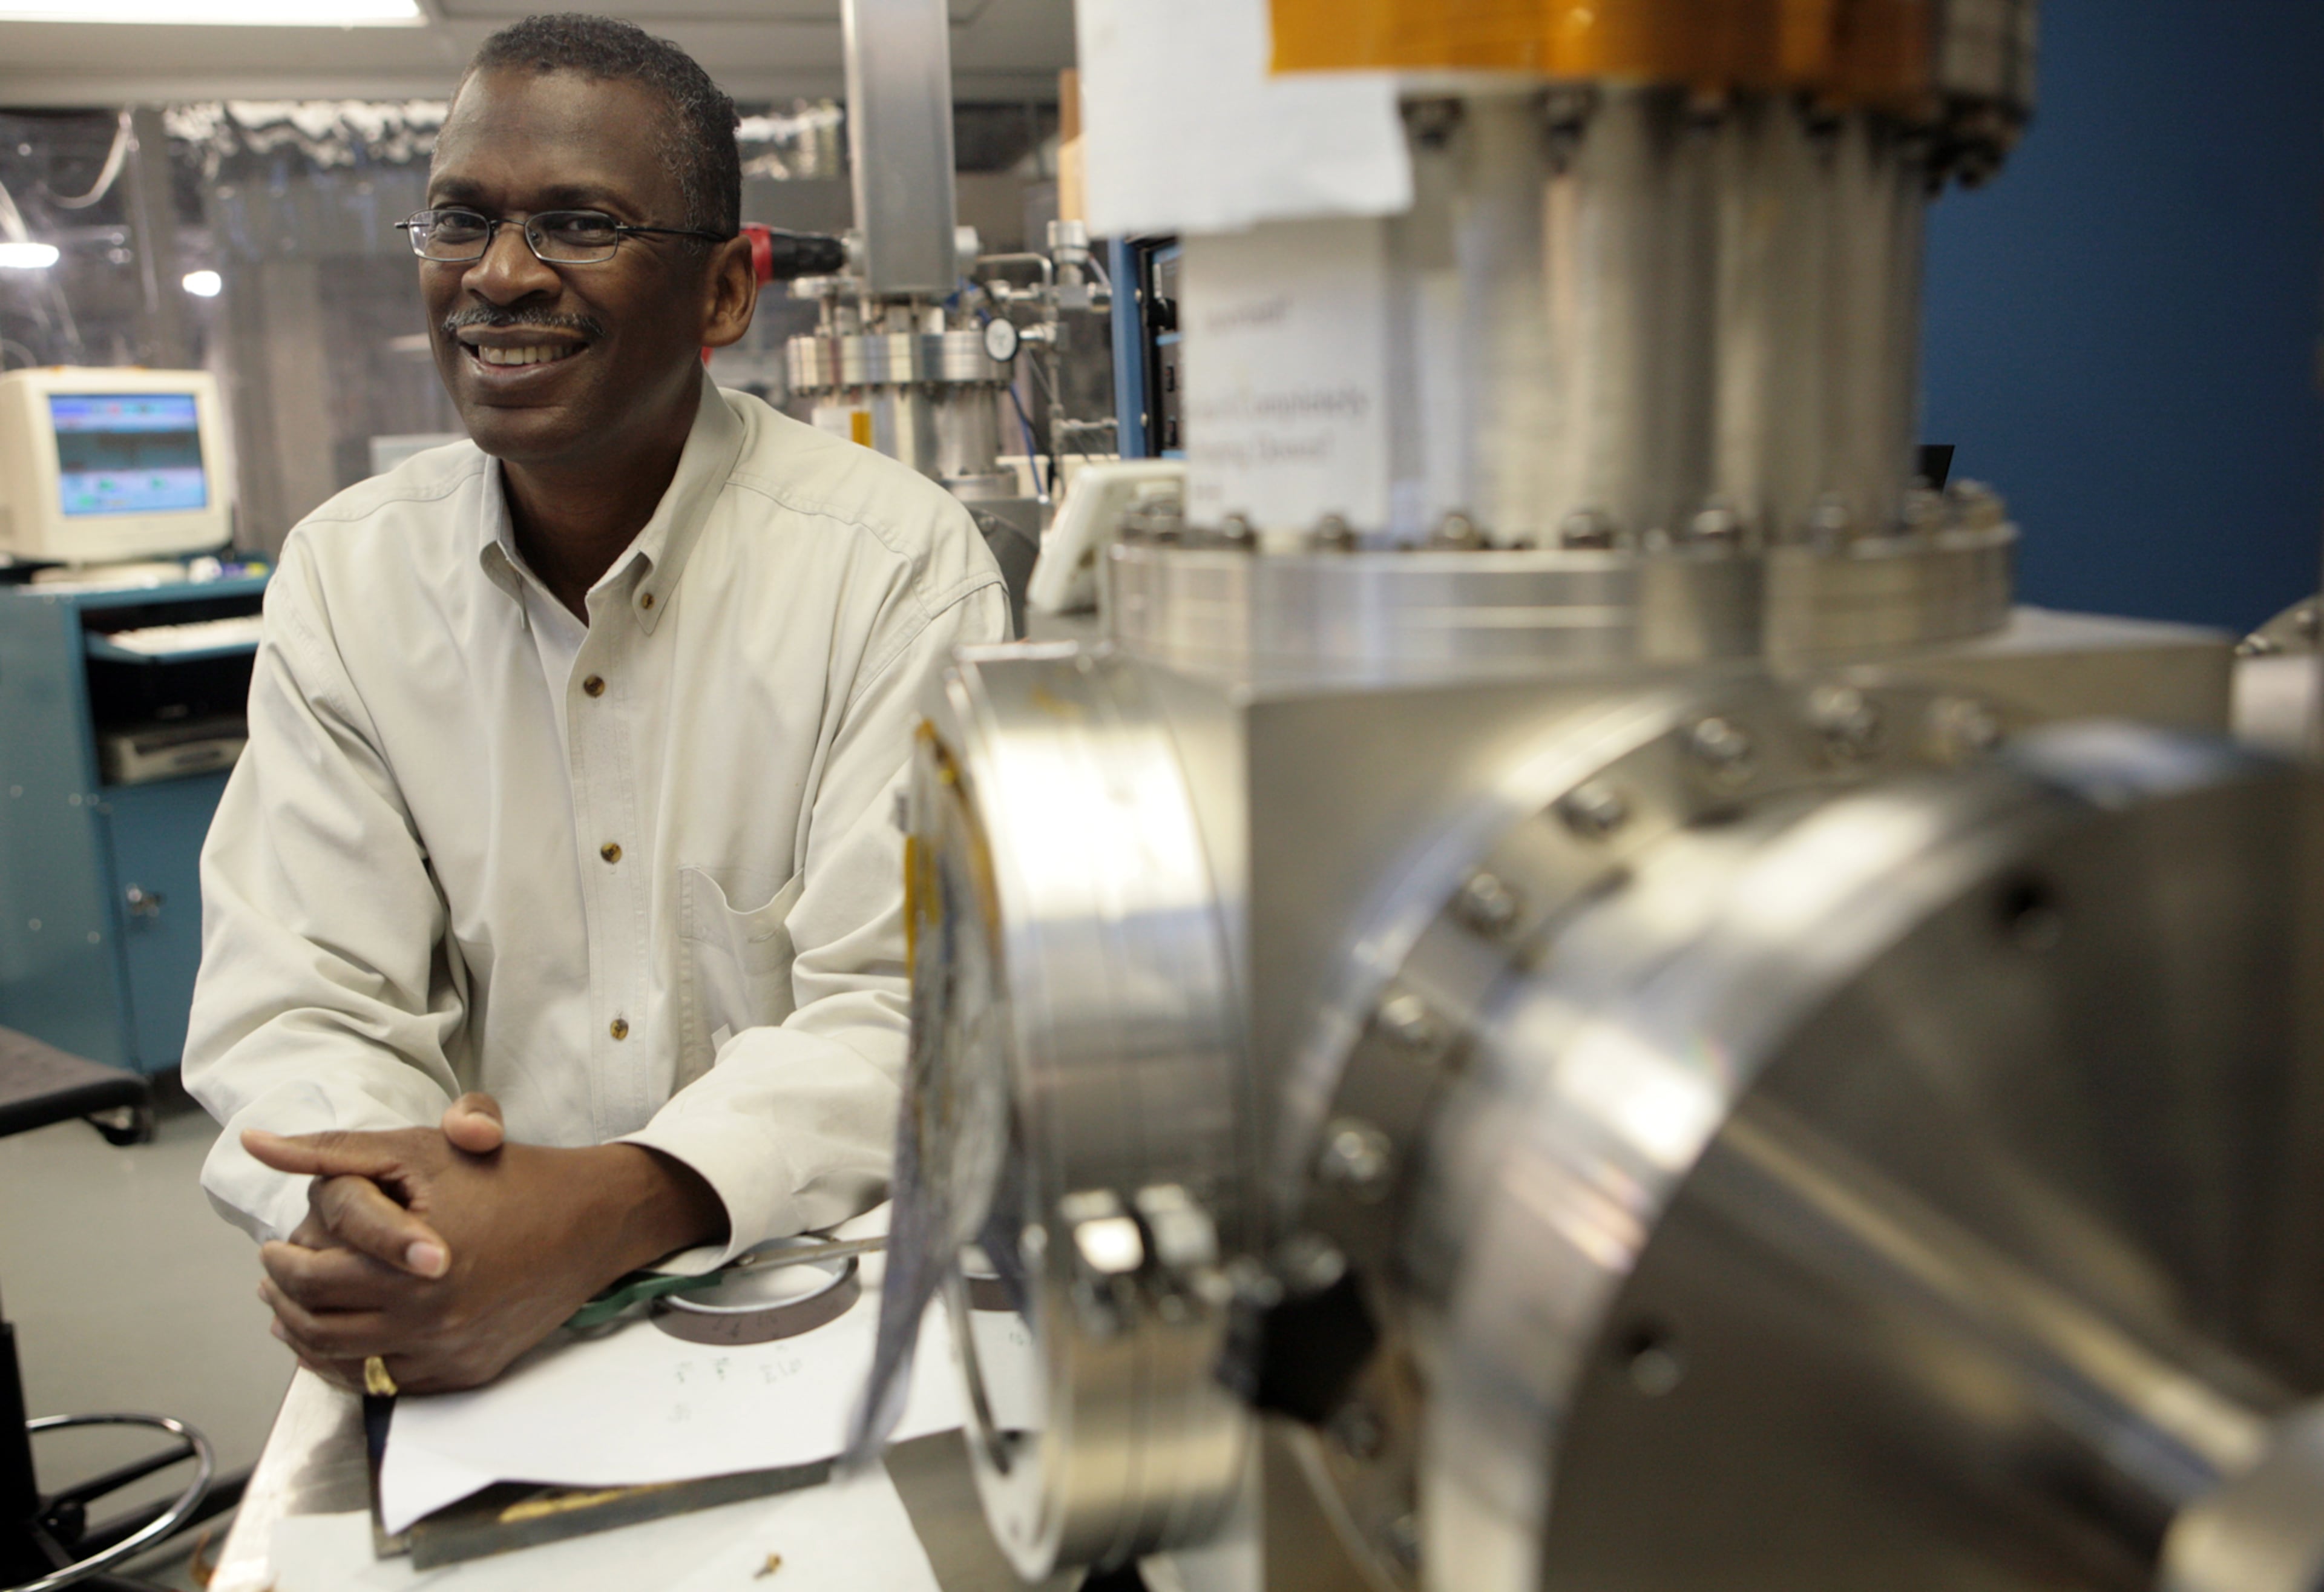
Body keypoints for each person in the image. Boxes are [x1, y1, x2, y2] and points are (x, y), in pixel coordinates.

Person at [182, 13, 1006, 1396]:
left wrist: (607, 1208)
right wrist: (374, 1216)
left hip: (819, 1303)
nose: (500, 276)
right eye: (460, 220)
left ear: (727, 293)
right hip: (475, 1321)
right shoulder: (347, 579)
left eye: (577, 222)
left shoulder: (894, 567)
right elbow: (301, 997)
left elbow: (911, 1010)